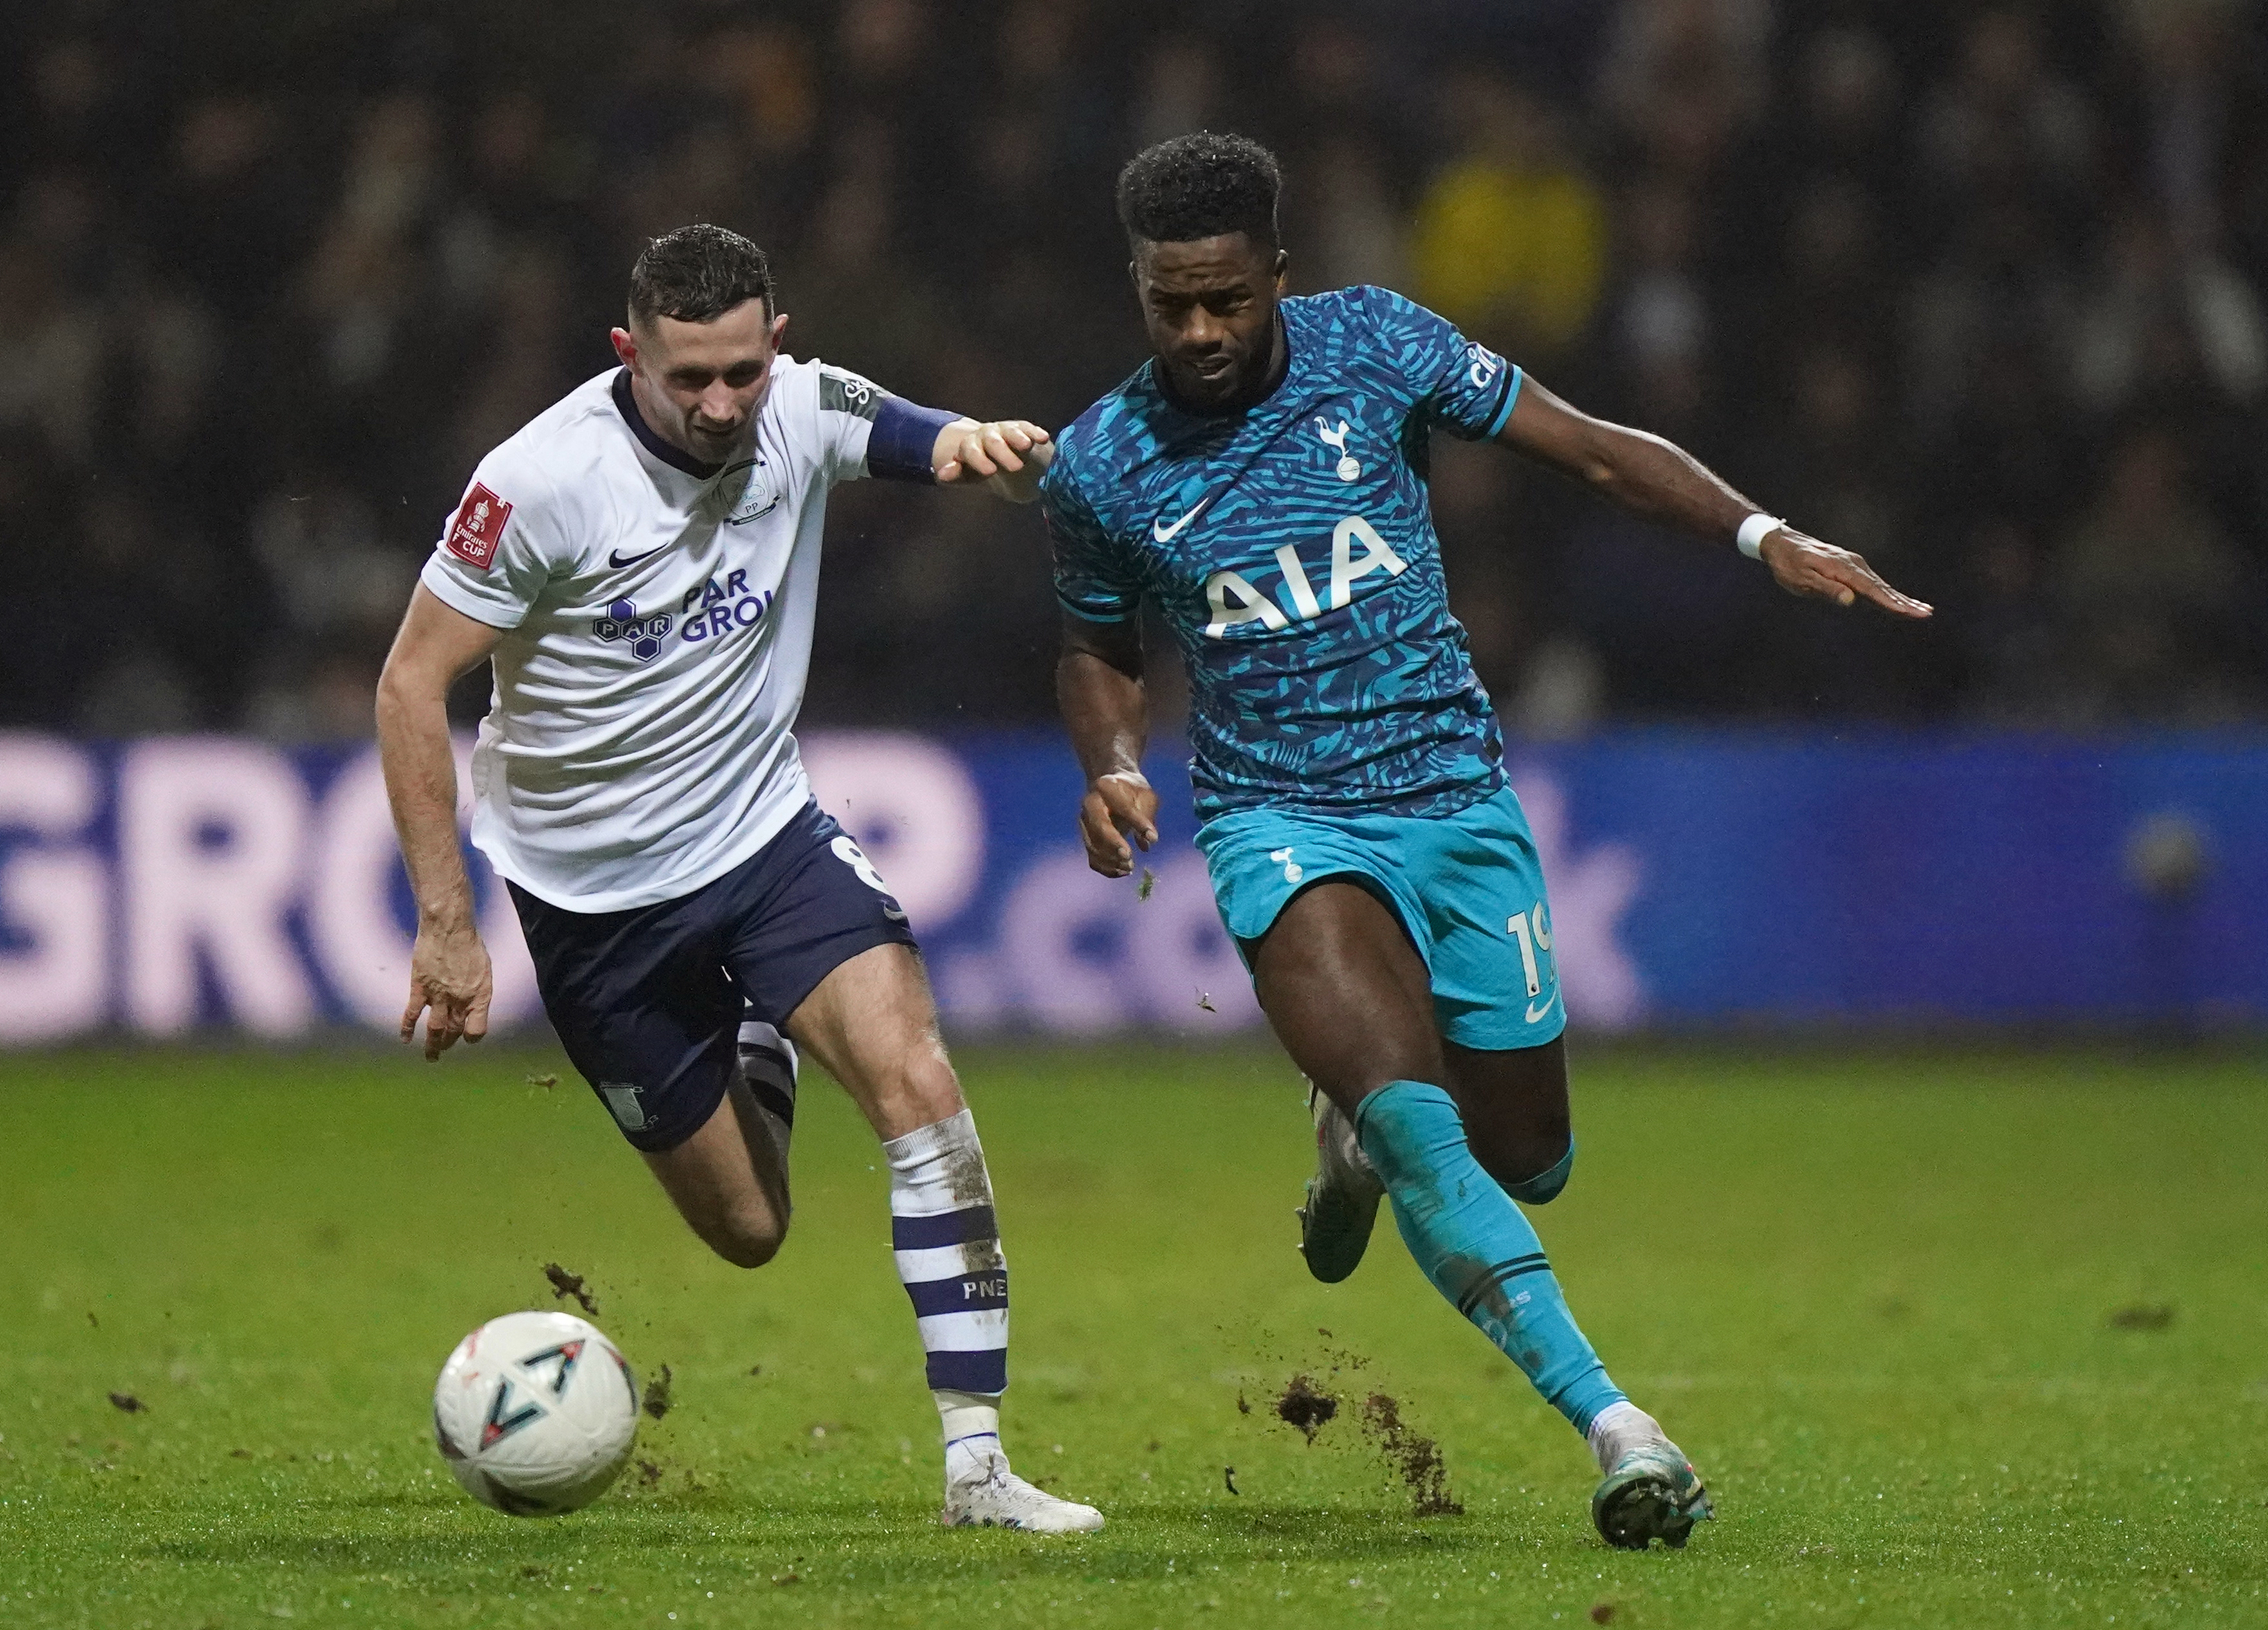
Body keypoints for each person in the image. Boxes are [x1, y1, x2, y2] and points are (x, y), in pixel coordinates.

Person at [1042, 134, 1930, 1550]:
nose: (1199, 331)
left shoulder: (1378, 345)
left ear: (1279, 276)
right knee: (1420, 1124)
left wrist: (1761, 535)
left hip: (1453, 797)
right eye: (1170, 305)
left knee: (1527, 1154)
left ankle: (1346, 1148)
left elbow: (1588, 451)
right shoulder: (1097, 462)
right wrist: (1109, 762)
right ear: (1137, 288)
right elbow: (1097, 641)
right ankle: (1618, 1428)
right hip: (1277, 819)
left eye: (1225, 300)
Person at [376, 223, 1099, 1534]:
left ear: (775, 341)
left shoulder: (801, 408)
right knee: (749, 1228)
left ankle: (978, 1466)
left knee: (916, 1086)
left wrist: (988, 452)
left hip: (763, 843)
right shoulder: (538, 481)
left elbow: (929, 438)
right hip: (592, 908)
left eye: (740, 374)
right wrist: (448, 924)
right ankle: (756, 1029)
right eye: (686, 379)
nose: (718, 406)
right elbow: (411, 683)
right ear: (627, 355)